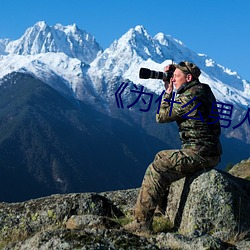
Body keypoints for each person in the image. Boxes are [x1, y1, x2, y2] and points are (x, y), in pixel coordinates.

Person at [124, 61, 222, 233]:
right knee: (161, 156)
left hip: (200, 153)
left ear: (189, 78)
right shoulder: (203, 89)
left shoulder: (189, 97)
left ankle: (141, 224)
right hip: (208, 151)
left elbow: (161, 117)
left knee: (157, 168)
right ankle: (161, 210)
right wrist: (174, 72)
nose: (173, 79)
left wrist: (168, 92)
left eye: (177, 76)